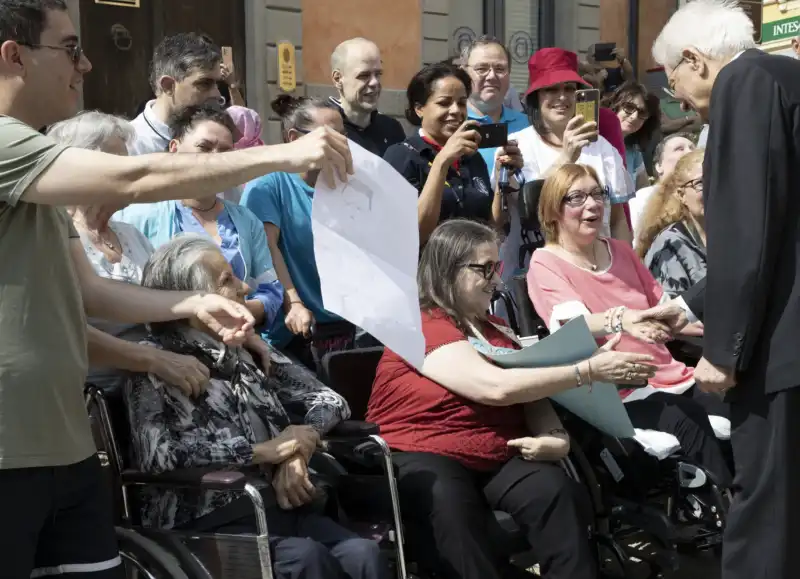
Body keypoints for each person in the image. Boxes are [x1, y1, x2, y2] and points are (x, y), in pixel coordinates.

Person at [0, 2, 350, 575]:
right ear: (13, 55)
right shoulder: (6, 146)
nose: (85, 64)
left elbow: (90, 294)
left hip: (68, 444)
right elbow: (135, 176)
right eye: (68, 48)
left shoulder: (36, 179)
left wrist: (192, 300)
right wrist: (284, 154)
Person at [365, 218, 658, 579]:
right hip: (424, 451)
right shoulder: (419, 324)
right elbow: (494, 388)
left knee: (553, 491)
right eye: (485, 269)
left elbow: (530, 393)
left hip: (495, 450)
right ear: (447, 269)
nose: (497, 280)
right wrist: (588, 371)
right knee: (447, 501)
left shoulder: (494, 332)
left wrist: (556, 437)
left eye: (497, 267)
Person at [127, 235, 389, 579]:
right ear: (192, 301)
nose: (244, 287)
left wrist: (298, 448)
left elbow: (329, 399)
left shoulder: (245, 348)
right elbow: (159, 455)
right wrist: (264, 451)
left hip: (279, 505)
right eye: (226, 281)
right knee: (307, 559)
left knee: (363, 554)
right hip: (208, 519)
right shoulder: (155, 365)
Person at [649, 3, 800, 576]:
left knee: (764, 519)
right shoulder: (788, 77)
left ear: (695, 59)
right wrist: (685, 304)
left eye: (675, 84)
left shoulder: (745, 82)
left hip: (780, 352)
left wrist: (721, 352)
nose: (679, 102)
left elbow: (748, 230)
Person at [526, 164, 731, 482]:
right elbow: (573, 323)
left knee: (742, 411)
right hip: (621, 390)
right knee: (686, 417)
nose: (592, 204)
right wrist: (622, 319)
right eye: (577, 197)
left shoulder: (620, 251)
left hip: (674, 376)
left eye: (597, 194)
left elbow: (665, 311)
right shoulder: (545, 263)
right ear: (553, 209)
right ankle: (732, 519)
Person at [47, 111, 215, 395]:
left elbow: (165, 305)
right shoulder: (54, 234)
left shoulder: (131, 234)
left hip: (156, 387)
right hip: (94, 398)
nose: (131, 172)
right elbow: (61, 328)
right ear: (83, 166)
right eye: (120, 163)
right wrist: (152, 360)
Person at [116, 103, 284, 338]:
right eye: (204, 148)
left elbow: (272, 291)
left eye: (225, 152)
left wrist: (236, 312)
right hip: (164, 353)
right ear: (173, 147)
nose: (215, 160)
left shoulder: (246, 221)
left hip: (238, 344)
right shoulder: (137, 215)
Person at [502, 48, 633, 302]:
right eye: (551, 89)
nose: (562, 97)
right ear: (536, 98)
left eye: (569, 88)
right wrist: (566, 157)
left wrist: (626, 270)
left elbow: (618, 220)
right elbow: (531, 211)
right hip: (541, 279)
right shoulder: (517, 146)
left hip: (600, 274)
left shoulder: (603, 148)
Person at [242, 96, 363, 369]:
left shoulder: (349, 186)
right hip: (294, 334)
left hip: (345, 327)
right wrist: (293, 303)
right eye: (330, 136)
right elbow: (267, 250)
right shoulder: (269, 186)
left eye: (344, 135)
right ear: (295, 138)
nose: (342, 144)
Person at [384, 62, 523, 243]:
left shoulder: (472, 157)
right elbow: (414, 234)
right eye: (444, 103)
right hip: (426, 269)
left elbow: (493, 231)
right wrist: (442, 161)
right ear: (419, 109)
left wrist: (500, 180)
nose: (456, 111)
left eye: (462, 103)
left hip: (474, 267)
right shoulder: (401, 156)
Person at [129, 32, 225, 155]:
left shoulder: (221, 137)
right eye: (204, 83)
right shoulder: (130, 145)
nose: (216, 95)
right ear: (168, 86)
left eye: (217, 84)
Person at [637, 149, 706, 297]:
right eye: (700, 183)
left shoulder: (738, 234)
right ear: (681, 195)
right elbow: (673, 315)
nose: (712, 188)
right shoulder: (669, 246)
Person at [461, 36, 529, 172]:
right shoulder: (453, 124)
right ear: (464, 73)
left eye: (500, 69)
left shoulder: (527, 125)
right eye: (481, 68)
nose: (492, 76)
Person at [329, 37, 405, 157]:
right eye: (364, 75)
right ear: (338, 79)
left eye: (378, 74)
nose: (374, 83)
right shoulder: (323, 128)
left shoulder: (392, 128)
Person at [628, 132, 696, 237]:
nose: (689, 152)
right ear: (659, 166)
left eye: (692, 148)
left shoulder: (706, 196)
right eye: (679, 149)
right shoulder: (642, 199)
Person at [603, 81, 661, 189]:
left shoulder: (633, 152)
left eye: (642, 113)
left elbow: (643, 189)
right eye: (629, 107)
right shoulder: (594, 143)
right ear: (615, 106)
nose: (634, 116)